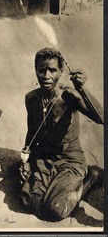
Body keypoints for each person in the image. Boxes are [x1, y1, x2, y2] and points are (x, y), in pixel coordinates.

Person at [19, 47, 103, 221]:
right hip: (44, 158)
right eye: (41, 70)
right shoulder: (31, 98)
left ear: (61, 71)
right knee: (29, 202)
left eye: (52, 70)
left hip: (70, 159)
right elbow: (32, 131)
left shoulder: (69, 96)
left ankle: (91, 178)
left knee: (55, 210)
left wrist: (82, 89)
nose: (46, 75)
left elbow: (100, 118)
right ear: (35, 70)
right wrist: (27, 161)